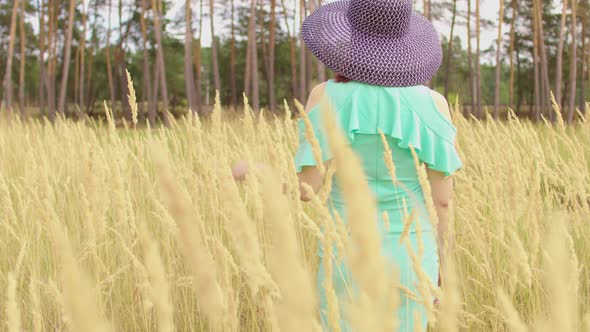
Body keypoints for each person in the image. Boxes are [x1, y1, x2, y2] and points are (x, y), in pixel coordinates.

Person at [234, 0, 462, 330]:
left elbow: (306, 189)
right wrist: (443, 268)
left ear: (351, 38)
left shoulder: (326, 96)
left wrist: (257, 172)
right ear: (405, 41)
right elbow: (443, 202)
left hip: (346, 253)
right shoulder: (433, 104)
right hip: (412, 256)